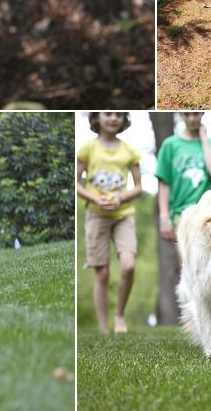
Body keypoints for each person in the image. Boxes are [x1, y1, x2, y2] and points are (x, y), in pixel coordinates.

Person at [77, 112, 143, 334]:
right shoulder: (87, 149)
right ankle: (104, 329)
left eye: (118, 115)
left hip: (123, 214)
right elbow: (75, 184)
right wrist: (95, 198)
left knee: (128, 265)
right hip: (96, 215)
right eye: (108, 114)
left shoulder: (129, 151)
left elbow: (138, 187)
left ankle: (119, 315)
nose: (113, 118)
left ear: (124, 119)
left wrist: (120, 198)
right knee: (102, 272)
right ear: (97, 117)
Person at [156, 112, 211, 242]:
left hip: (209, 213)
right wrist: (164, 218)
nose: (191, 119)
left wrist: (203, 138)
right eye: (186, 114)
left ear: (202, 112)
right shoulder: (170, 145)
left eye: (195, 114)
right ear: (180, 114)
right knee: (189, 261)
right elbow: (164, 183)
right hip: (181, 214)